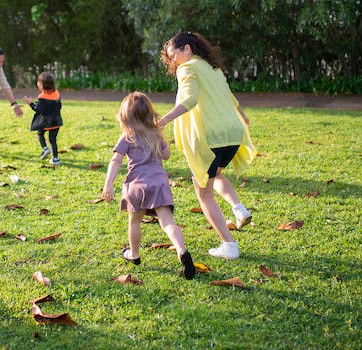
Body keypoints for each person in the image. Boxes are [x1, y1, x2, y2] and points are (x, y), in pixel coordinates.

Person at [157, 32, 257, 260]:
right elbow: (230, 96)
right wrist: (243, 116)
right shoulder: (213, 68)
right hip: (232, 134)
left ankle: (229, 245)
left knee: (204, 192)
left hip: (211, 138)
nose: (173, 62)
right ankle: (239, 209)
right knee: (215, 174)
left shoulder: (187, 68)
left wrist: (164, 119)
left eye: (174, 55)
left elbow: (190, 99)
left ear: (188, 49)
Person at [102, 92, 196, 280]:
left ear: (125, 117)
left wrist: (108, 184)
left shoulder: (127, 137)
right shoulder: (155, 135)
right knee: (167, 222)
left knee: (134, 221)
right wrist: (161, 138)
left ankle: (134, 255)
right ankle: (181, 250)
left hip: (136, 185)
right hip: (159, 183)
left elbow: (115, 160)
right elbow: (167, 155)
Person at [22, 72, 63, 165]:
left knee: (40, 134)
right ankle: (55, 158)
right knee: (53, 140)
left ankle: (45, 149)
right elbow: (59, 106)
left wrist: (30, 103)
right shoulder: (56, 94)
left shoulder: (42, 97)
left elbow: (38, 109)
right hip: (56, 121)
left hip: (46, 123)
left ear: (41, 85)